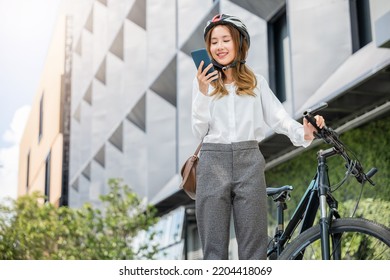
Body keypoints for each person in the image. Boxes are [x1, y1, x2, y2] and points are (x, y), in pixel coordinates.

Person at [191, 14, 325, 260]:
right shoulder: (204, 85)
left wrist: (304, 132)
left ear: (240, 43)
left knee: (255, 252)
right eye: (213, 42)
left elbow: (280, 119)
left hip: (249, 161)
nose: (219, 47)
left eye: (226, 40)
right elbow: (199, 131)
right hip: (212, 163)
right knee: (213, 253)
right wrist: (202, 93)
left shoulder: (256, 83)